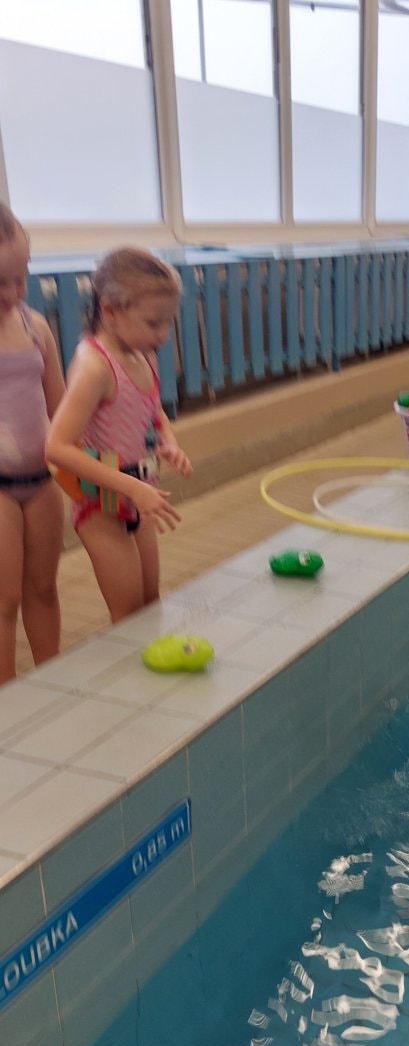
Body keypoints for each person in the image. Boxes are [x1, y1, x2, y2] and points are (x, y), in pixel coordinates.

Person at [45, 248, 189, 624]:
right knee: (128, 615)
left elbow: (152, 410)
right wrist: (131, 487)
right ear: (110, 310)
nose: (163, 335)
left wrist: (169, 441)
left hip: (137, 493)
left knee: (150, 602)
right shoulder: (94, 366)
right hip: (101, 506)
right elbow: (57, 447)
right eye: (153, 323)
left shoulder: (143, 354)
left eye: (167, 323)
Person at [0, 204, 66, 685]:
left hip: (42, 481)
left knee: (43, 588)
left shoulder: (35, 326)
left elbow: (61, 407)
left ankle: (51, 683)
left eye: (20, 280)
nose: (12, 293)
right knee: (4, 599)